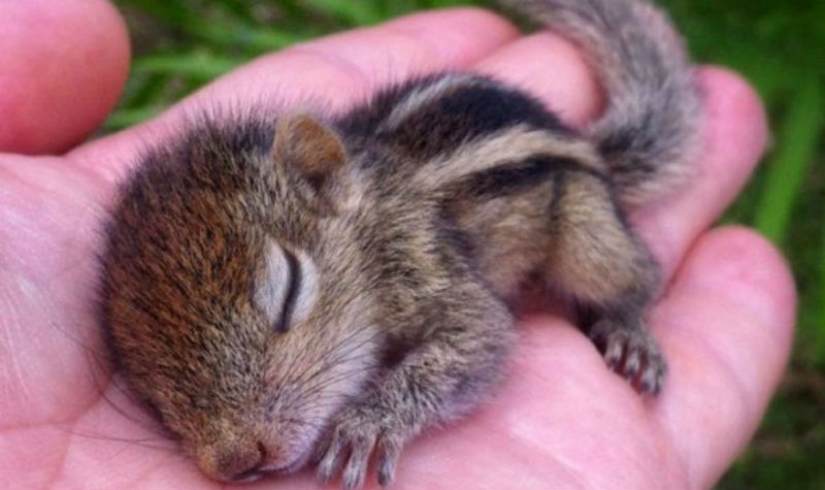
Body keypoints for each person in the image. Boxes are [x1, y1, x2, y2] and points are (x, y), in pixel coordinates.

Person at [0, 0, 795, 488]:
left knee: (594, 258)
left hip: (547, 193)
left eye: (283, 298)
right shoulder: (261, 298)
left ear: (322, 182)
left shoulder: (390, 243)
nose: (229, 451)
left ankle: (622, 308)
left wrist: (392, 406)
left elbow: (478, 336)